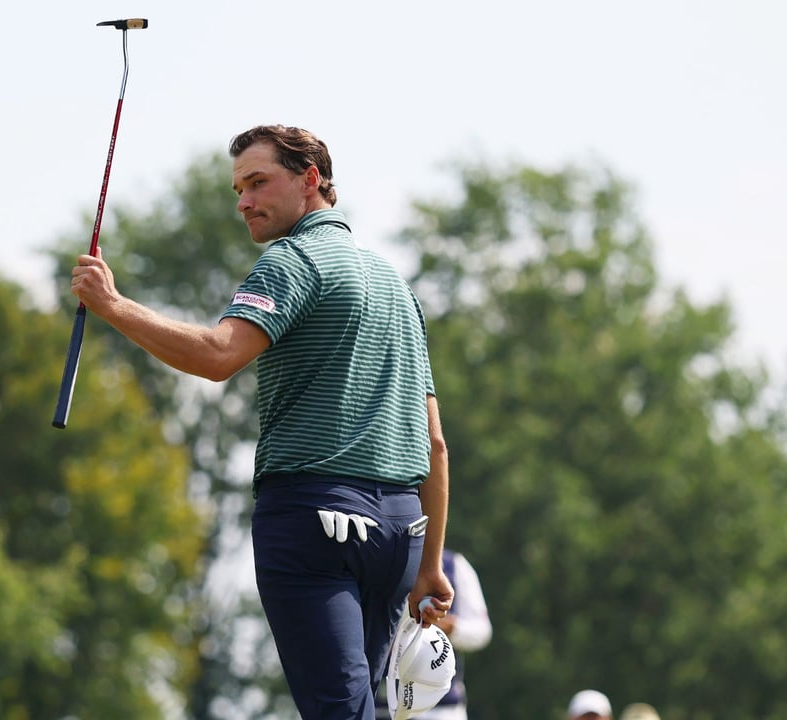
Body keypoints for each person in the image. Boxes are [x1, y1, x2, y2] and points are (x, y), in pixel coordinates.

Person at [69, 124, 453, 718]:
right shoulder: (399, 288)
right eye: (238, 190)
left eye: (258, 183)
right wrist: (429, 566)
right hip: (401, 535)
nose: (244, 201)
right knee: (357, 708)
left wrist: (112, 305)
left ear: (310, 180)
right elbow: (435, 444)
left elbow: (218, 356)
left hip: (314, 518)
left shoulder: (292, 259)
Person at [375, 549, 491, 720]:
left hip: (441, 710)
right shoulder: (377, 559)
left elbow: (482, 631)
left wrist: (449, 627)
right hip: (378, 707)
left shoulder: (454, 565)